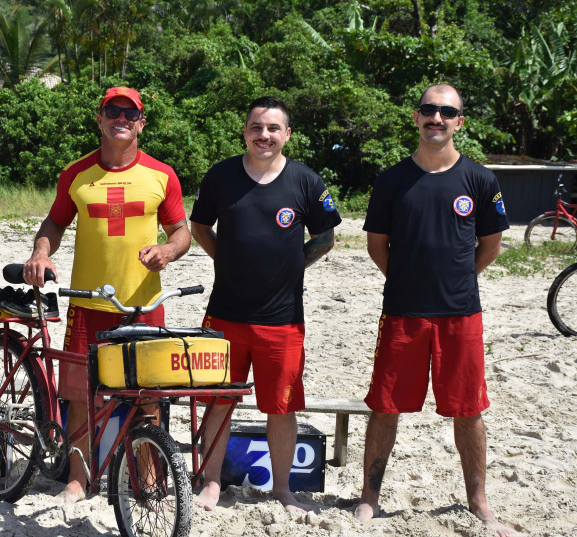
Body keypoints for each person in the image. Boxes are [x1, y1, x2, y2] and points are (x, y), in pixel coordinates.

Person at [354, 84, 512, 537]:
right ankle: (370, 497)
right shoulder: (392, 179)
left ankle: (479, 501)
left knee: (468, 410)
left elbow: (491, 245)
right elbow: (377, 245)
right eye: (428, 110)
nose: (436, 118)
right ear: (416, 117)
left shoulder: (479, 179)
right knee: (385, 407)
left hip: (460, 314)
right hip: (403, 312)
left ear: (459, 121)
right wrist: (408, 281)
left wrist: (456, 282)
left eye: (447, 111)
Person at [23, 86, 191, 504]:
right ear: (99, 119)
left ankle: (148, 483)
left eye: (130, 113)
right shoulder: (76, 173)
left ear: (141, 124)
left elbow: (182, 232)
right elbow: (54, 224)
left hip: (143, 306)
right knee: (80, 396)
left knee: (148, 399)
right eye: (112, 111)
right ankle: (78, 481)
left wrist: (167, 251)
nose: (121, 118)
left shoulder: (161, 174)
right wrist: (40, 253)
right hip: (86, 302)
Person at [189, 96, 342, 512]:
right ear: (245, 131)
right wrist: (225, 257)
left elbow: (326, 237)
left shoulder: (306, 181)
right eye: (257, 127)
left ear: (287, 134)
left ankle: (282, 489)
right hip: (225, 315)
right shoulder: (221, 177)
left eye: (273, 128)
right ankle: (212, 484)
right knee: (219, 404)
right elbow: (199, 225)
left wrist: (295, 265)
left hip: (283, 320)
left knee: (282, 407)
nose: (264, 135)